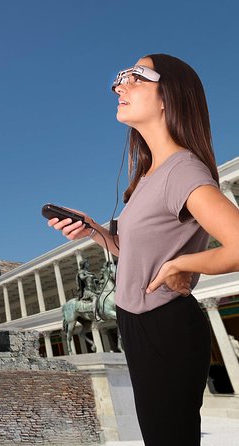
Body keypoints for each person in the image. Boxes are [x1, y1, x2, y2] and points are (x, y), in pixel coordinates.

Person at [46, 54, 239, 445]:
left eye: (134, 77)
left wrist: (183, 263)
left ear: (169, 95)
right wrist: (95, 233)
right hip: (139, 325)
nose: (119, 86)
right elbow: (138, 255)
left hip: (165, 325)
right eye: (119, 79)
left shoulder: (183, 171)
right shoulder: (149, 175)